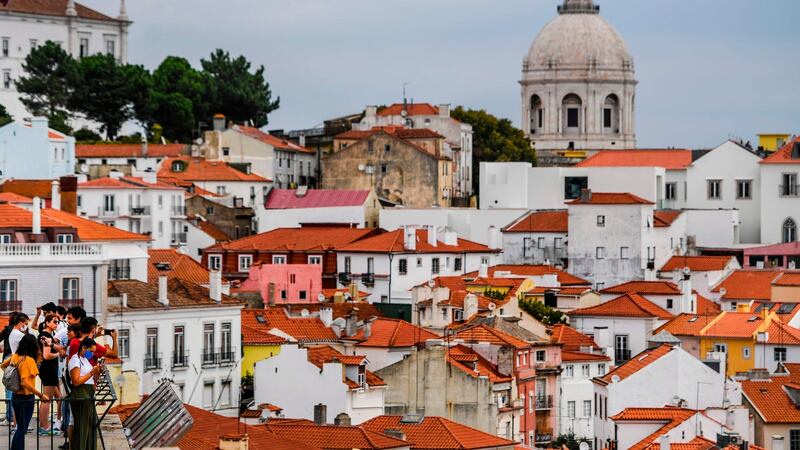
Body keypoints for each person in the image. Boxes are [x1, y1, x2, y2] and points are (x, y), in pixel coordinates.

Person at [1, 333, 50, 450]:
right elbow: (25, 383)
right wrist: (41, 395)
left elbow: (3, 366)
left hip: (15, 396)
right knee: (22, 428)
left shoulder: (16, 356)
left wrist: (14, 380)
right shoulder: (29, 360)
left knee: (20, 427)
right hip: (26, 398)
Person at [69, 337, 102, 450]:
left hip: (88, 394)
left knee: (90, 425)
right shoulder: (75, 360)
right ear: (83, 348)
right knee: (82, 426)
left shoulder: (85, 360)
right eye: (91, 351)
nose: (92, 354)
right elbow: (76, 381)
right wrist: (92, 372)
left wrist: (97, 372)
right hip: (80, 394)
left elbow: (91, 379)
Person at [38, 314, 62, 435]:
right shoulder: (46, 335)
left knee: (59, 398)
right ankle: (44, 427)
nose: (57, 324)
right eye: (55, 321)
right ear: (47, 322)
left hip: (49, 370)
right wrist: (59, 354)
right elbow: (47, 355)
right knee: (46, 399)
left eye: (58, 322)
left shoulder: (48, 335)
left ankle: (45, 425)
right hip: (49, 370)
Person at [0, 311, 18, 426]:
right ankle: (13, 417)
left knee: (8, 387)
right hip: (18, 358)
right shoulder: (21, 331)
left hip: (8, 358)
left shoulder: (8, 330)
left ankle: (10, 417)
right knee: (16, 387)